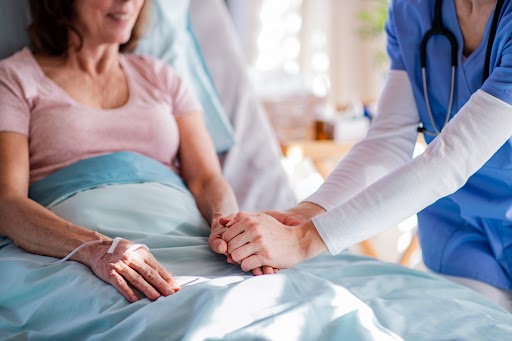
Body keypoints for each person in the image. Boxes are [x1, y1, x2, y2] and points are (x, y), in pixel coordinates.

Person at [221, 0, 512, 310]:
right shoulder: (414, 9)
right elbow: (387, 141)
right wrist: (308, 212)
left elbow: (452, 158)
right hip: (459, 231)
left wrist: (305, 242)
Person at [0, 0, 274, 303]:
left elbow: (207, 178)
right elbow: (7, 203)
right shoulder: (14, 79)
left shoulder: (162, 77)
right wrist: (95, 249)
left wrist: (229, 227)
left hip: (189, 242)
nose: (128, 2)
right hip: (79, 256)